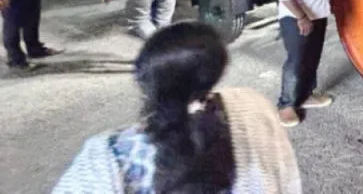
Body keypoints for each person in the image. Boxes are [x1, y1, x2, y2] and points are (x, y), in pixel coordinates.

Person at [54, 22, 302, 193]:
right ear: (216, 72)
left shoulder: (107, 156)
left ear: (146, 80)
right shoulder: (251, 107)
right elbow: (286, 179)